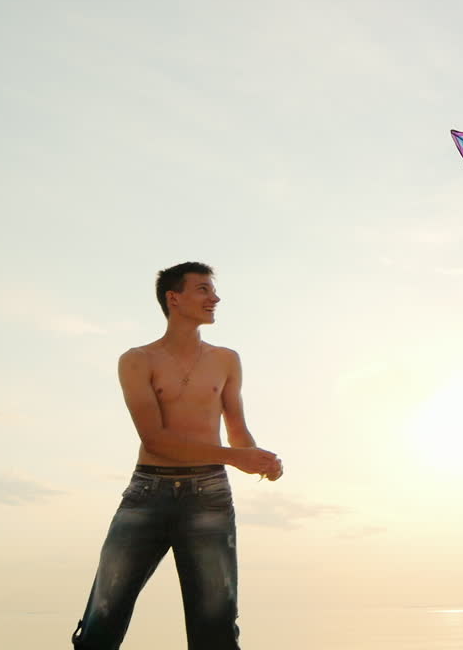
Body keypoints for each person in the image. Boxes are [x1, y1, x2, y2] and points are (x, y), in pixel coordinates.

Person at [72, 262, 283, 649]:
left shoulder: (226, 359)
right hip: (146, 495)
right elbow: (155, 439)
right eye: (203, 289)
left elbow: (236, 430)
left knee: (216, 627)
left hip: (210, 495)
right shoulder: (137, 360)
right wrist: (236, 457)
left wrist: (261, 460)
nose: (214, 298)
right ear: (174, 298)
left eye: (213, 290)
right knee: (103, 617)